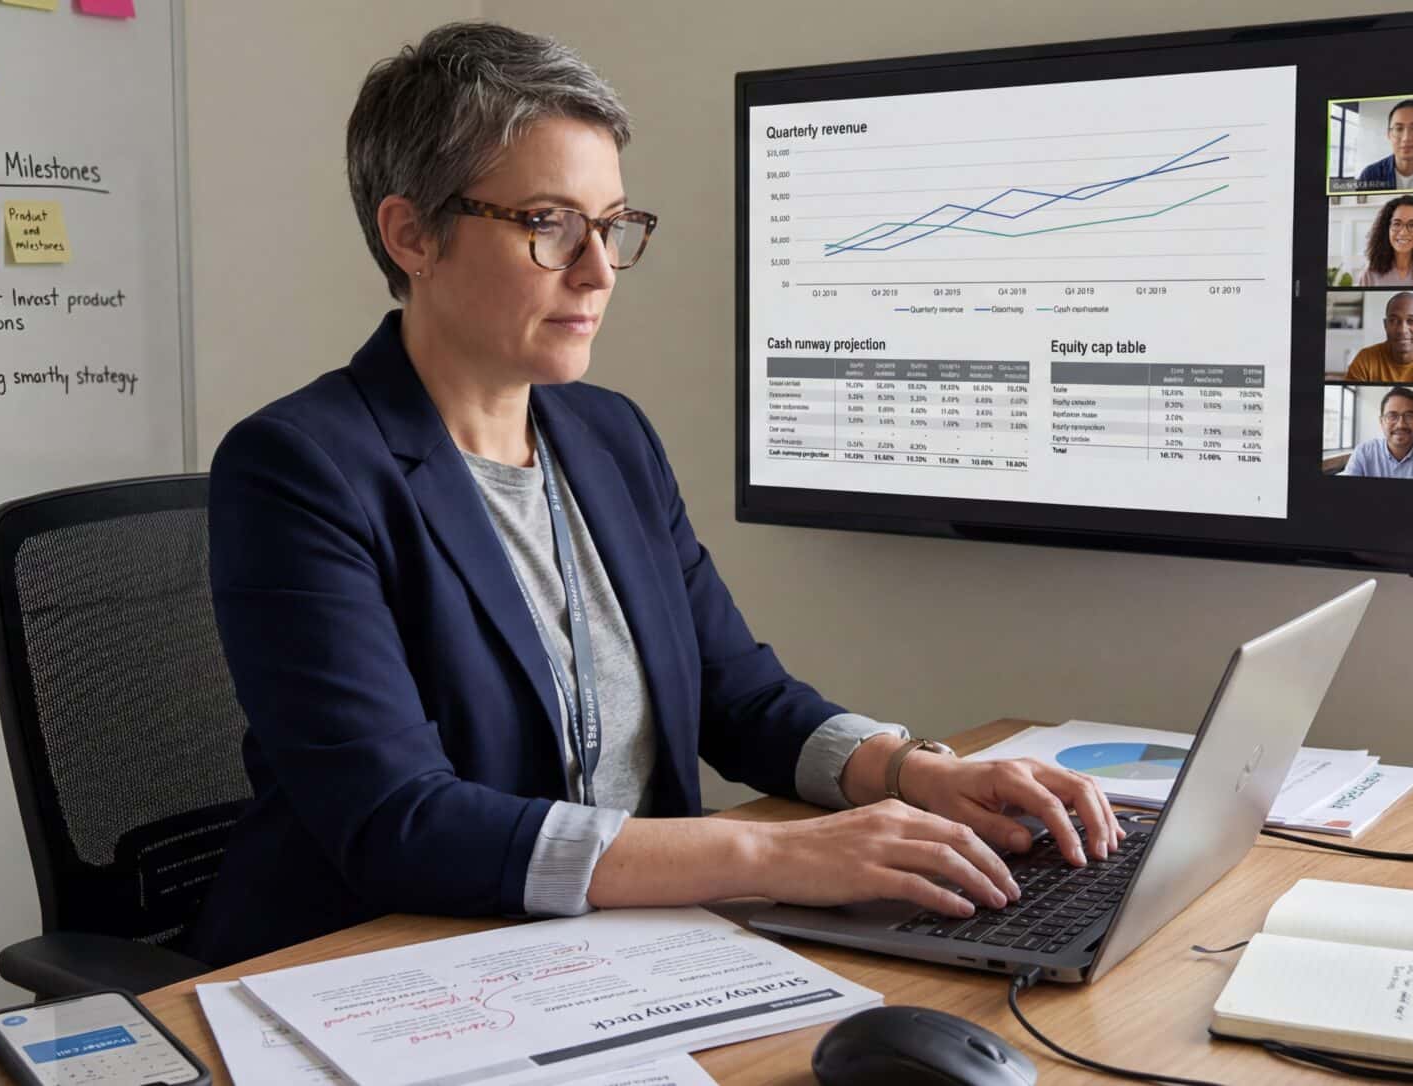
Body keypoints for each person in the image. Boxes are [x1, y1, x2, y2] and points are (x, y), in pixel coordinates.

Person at [188, 23, 1123, 967]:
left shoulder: (609, 435)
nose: (597, 270)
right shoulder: (299, 469)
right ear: (411, 234)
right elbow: (402, 822)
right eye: (547, 225)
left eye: (611, 225)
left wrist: (910, 772)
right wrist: (773, 852)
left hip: (630, 952)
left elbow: (738, 694)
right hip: (390, 963)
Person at [1340, 387, 1413, 480]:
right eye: (1392, 416)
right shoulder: (1363, 453)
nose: (1401, 424)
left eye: (1409, 416)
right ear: (1381, 421)